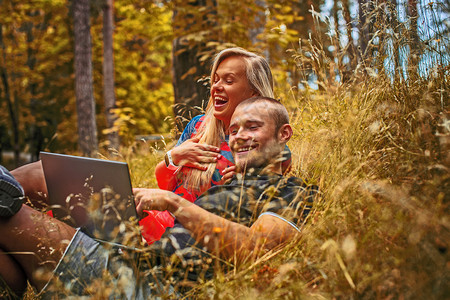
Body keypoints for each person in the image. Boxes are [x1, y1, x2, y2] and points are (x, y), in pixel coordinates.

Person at [0, 97, 317, 298]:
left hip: (149, 288)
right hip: (137, 257)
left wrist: (175, 204)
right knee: (41, 176)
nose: (238, 137)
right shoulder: (230, 186)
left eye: (252, 127)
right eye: (233, 130)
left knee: (8, 215)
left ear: (283, 134)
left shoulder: (291, 190)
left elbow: (261, 255)